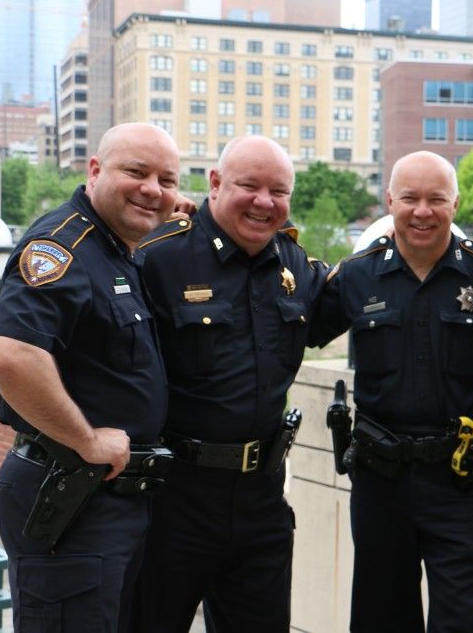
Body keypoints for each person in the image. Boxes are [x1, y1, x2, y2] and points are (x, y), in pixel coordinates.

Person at [0, 123, 180, 633]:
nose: (153, 188)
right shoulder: (64, 243)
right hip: (72, 492)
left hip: (108, 501)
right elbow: (11, 353)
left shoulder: (117, 248)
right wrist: (86, 440)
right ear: (95, 171)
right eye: (136, 171)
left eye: (167, 179)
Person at [125, 135, 326, 632]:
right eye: (249, 186)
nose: (264, 202)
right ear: (215, 183)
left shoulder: (295, 267)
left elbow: (367, 295)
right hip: (173, 498)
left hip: (262, 498)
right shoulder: (157, 258)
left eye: (278, 191)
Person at [307, 151, 473, 633]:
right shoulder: (356, 275)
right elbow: (297, 329)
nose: (423, 211)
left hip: (460, 479)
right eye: (411, 199)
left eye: (436, 199)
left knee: (457, 620)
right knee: (382, 619)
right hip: (382, 483)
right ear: (389, 200)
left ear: (454, 203)